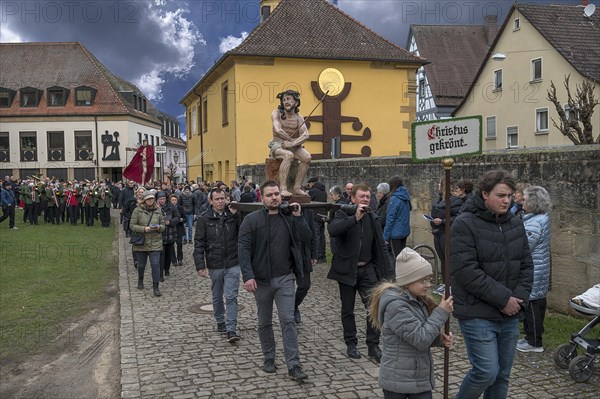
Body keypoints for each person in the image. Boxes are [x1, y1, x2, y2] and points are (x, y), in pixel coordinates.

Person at [451, 169, 533, 399]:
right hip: (477, 312)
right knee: (486, 372)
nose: (506, 200)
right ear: (485, 194)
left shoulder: (515, 223)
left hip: (509, 313)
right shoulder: (465, 223)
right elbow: (466, 270)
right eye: (500, 195)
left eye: (510, 195)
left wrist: (517, 299)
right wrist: (503, 299)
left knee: (502, 375)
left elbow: (526, 264)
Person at [238, 180, 310, 381]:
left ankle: (293, 364)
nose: (274, 198)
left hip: (286, 277)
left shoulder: (289, 217)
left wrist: (298, 217)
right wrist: (248, 275)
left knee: (288, 320)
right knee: (264, 322)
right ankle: (269, 357)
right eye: (270, 195)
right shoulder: (251, 220)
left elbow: (306, 237)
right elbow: (243, 248)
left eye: (277, 194)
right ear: (262, 197)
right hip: (261, 280)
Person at [369, 248, 454, 399]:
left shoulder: (417, 301)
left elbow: (418, 333)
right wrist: (441, 312)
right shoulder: (396, 306)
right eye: (423, 280)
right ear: (407, 281)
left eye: (429, 279)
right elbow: (420, 339)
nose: (428, 285)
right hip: (398, 381)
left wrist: (438, 339)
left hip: (418, 378)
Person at [327, 183, 391, 362]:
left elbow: (380, 246)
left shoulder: (373, 217)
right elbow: (333, 230)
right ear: (353, 198)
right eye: (361, 196)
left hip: (367, 269)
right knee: (347, 309)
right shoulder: (342, 213)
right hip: (347, 270)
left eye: (368, 197)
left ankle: (373, 345)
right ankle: (351, 343)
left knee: (374, 308)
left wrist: (388, 273)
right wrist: (354, 218)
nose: (365, 199)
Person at [194, 188, 242, 343]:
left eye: (223, 198)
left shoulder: (232, 216)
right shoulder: (204, 219)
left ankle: (231, 328)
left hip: (232, 262)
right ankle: (220, 320)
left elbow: (244, 233)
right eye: (217, 199)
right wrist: (200, 265)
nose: (221, 201)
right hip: (214, 263)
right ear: (211, 201)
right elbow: (199, 243)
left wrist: (237, 216)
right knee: (217, 295)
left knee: (231, 296)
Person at [517, 186, 552, 353]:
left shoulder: (534, 223)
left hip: (534, 270)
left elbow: (524, 248)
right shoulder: (540, 218)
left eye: (524, 199)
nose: (521, 201)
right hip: (539, 269)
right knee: (538, 302)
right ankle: (533, 336)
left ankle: (534, 342)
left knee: (532, 304)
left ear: (533, 202)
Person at [268, 90, 311, 198]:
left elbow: (305, 135)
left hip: (293, 146)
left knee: (307, 157)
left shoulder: (298, 117)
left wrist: (292, 144)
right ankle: (283, 188)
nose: (286, 102)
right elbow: (278, 129)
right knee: (288, 155)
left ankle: (297, 187)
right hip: (278, 145)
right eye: (284, 100)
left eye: (289, 99)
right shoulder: (276, 113)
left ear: (296, 102)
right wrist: (289, 142)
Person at [429, 177, 462, 295]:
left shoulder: (455, 201)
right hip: (437, 233)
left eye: (439, 183)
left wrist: (442, 221)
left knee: (449, 259)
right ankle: (445, 283)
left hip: (447, 233)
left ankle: (451, 284)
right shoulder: (439, 200)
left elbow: (457, 218)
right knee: (443, 259)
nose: (438, 185)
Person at [130, 189, 165, 297]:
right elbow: (132, 226)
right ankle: (140, 280)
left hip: (155, 242)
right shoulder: (137, 211)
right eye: (148, 199)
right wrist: (144, 229)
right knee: (141, 265)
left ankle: (156, 287)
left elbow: (163, 225)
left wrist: (159, 227)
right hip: (142, 242)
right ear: (144, 200)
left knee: (155, 265)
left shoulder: (158, 210)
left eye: (152, 199)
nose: (151, 200)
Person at [294, 207, 318, 324]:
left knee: (305, 285)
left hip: (303, 253)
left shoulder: (307, 210)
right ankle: (287, 311)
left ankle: (294, 306)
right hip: (286, 253)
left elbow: (313, 232)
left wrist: (314, 254)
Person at [384, 176, 411, 258]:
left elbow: (390, 219)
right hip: (404, 230)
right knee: (402, 257)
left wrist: (385, 237)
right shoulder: (406, 196)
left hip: (396, 233)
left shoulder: (394, 199)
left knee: (397, 258)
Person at [157, 191, 178, 281]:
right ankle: (160, 273)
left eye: (164, 199)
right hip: (159, 235)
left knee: (168, 254)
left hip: (170, 234)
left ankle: (167, 269)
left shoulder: (171, 207)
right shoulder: (155, 208)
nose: (162, 201)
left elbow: (177, 217)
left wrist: (170, 222)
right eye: (160, 199)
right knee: (161, 255)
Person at [307, 177, 328, 263]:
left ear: (312, 183)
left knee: (316, 236)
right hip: (323, 215)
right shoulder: (323, 191)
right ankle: (323, 256)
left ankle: (318, 257)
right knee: (322, 236)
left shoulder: (313, 191)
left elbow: (308, 200)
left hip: (315, 216)